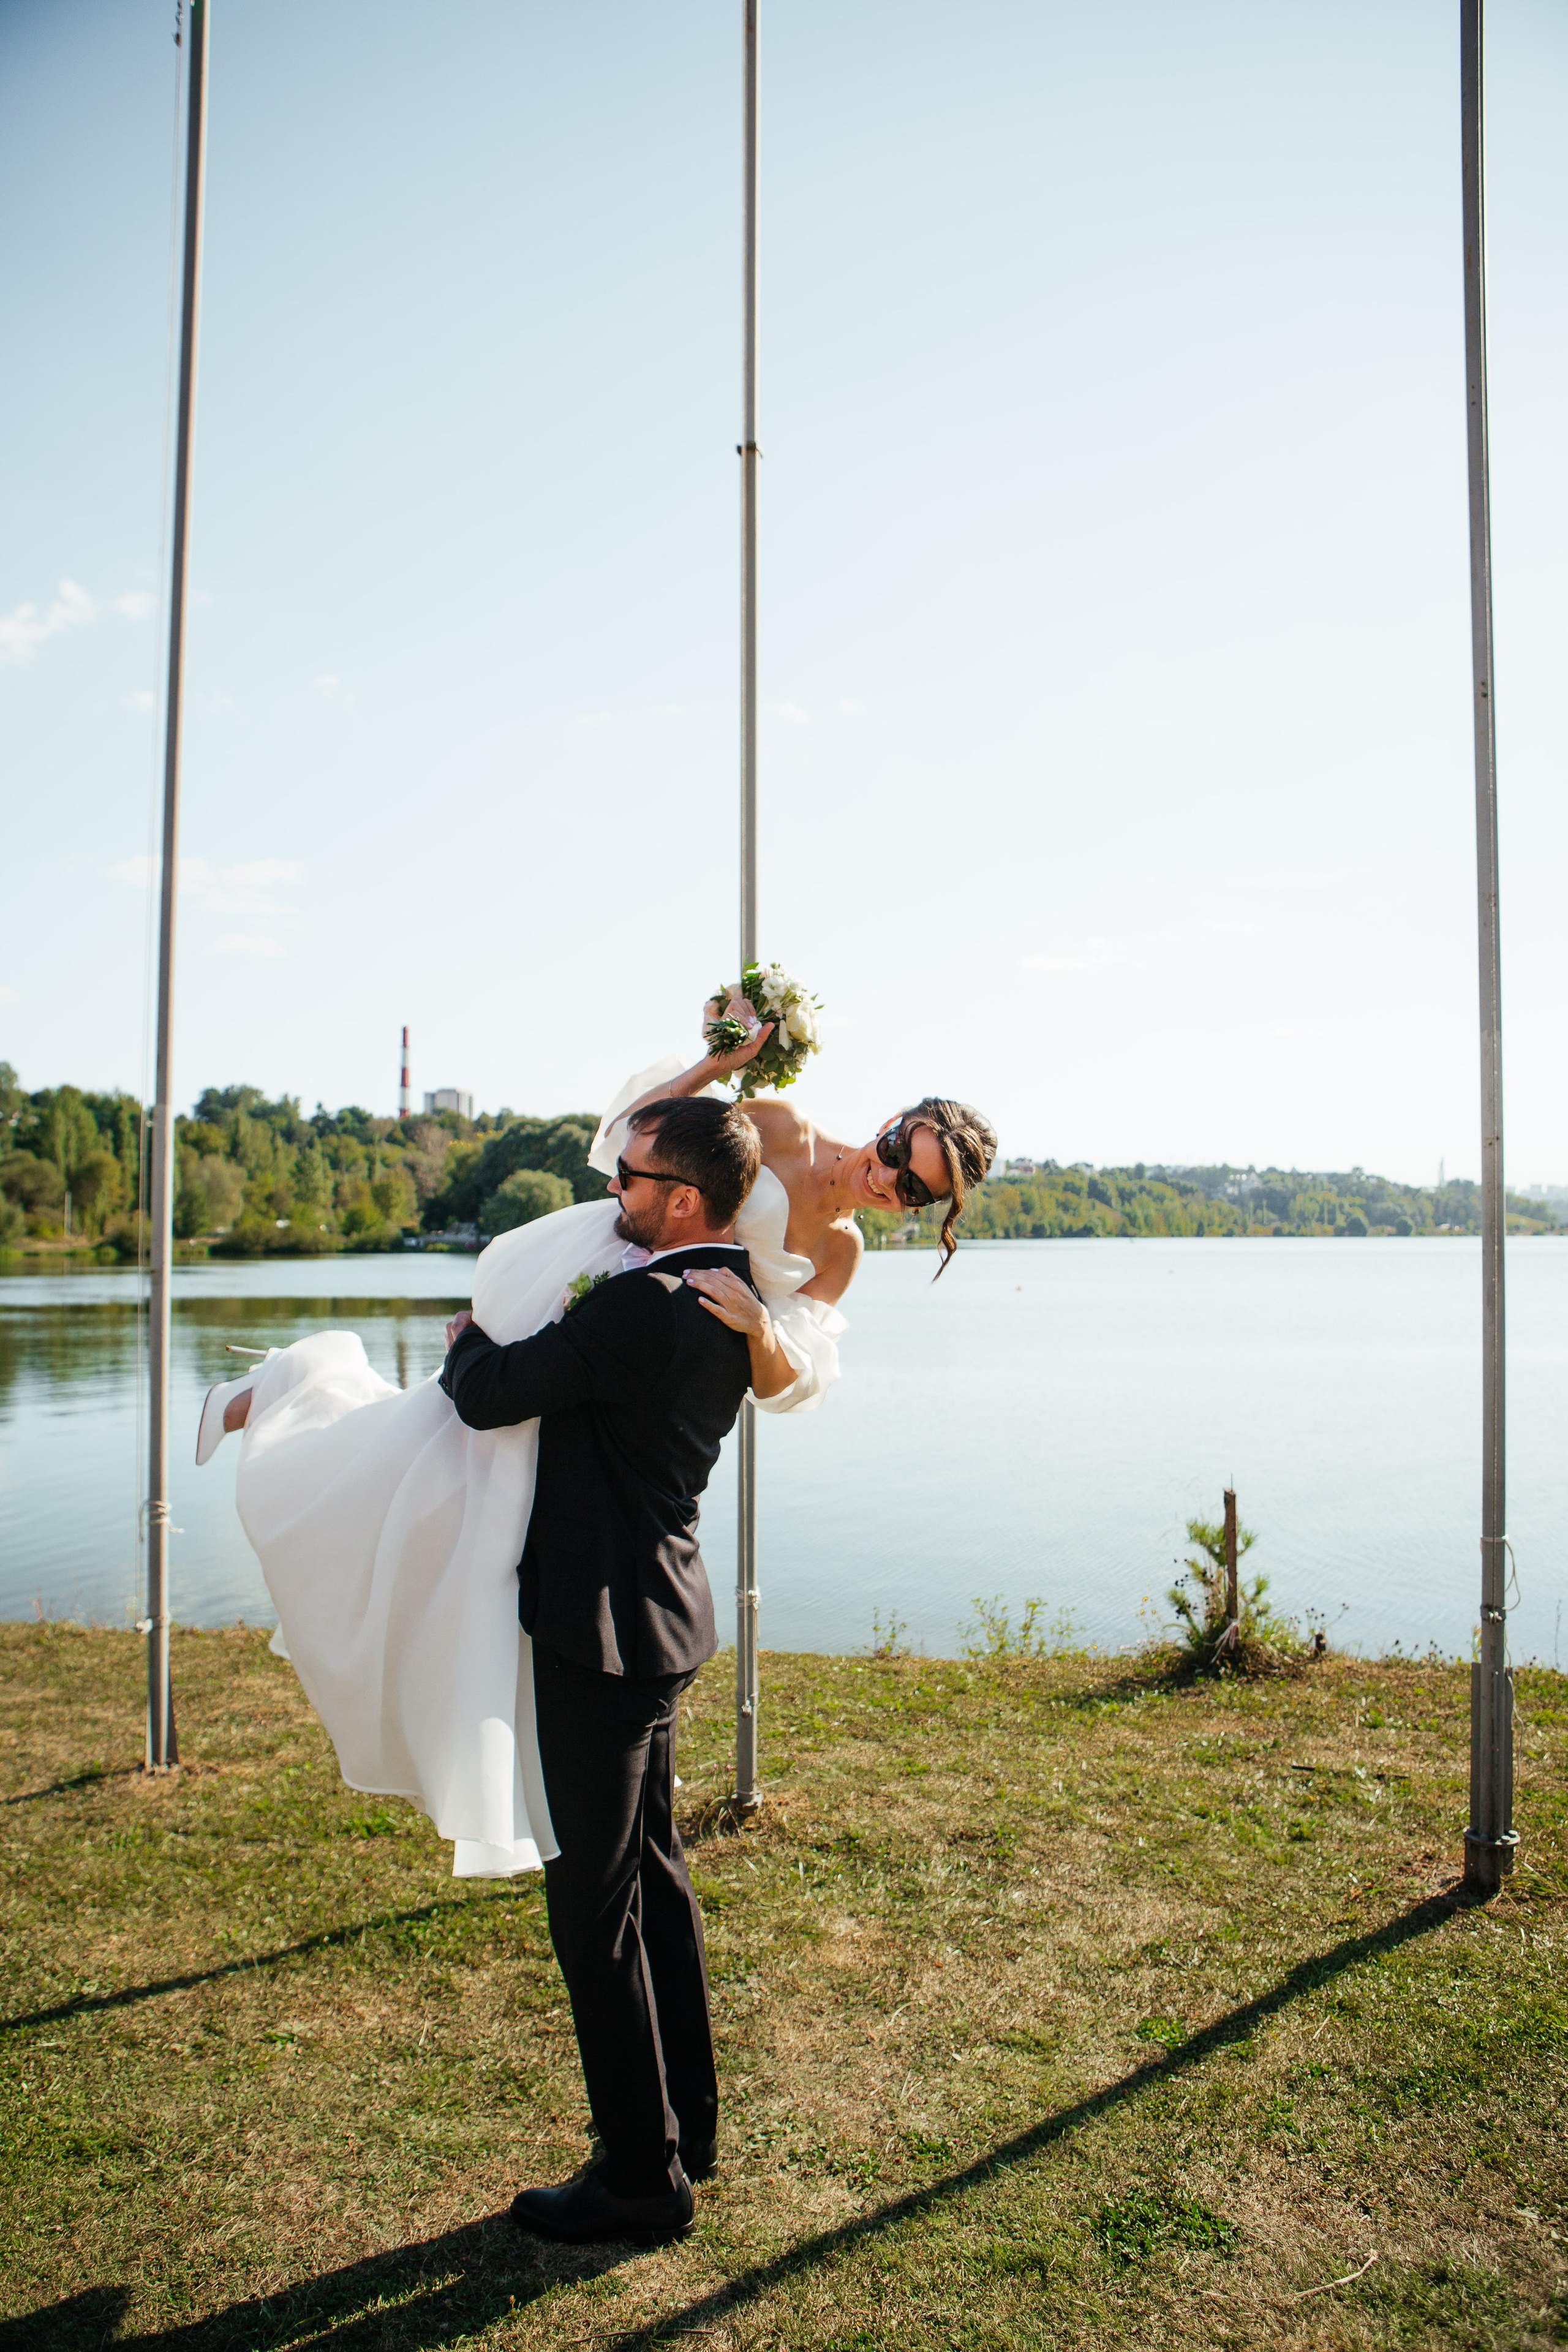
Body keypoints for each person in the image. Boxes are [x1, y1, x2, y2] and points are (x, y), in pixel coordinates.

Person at [197, 998, 997, 1880]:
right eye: (899, 1153)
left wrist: (760, 1332)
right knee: (455, 1432)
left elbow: (783, 1383)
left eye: (916, 1190)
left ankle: (477, 1678)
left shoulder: (841, 1254)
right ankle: (288, 1394)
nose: (889, 1181)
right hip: (611, 1274)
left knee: (493, 1496)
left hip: (650, 1362)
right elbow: (641, 1147)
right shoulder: (779, 1124)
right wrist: (713, 1069)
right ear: (894, 1121)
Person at [438, 1094, 760, 2242]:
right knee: (655, 1879)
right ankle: (688, 2128)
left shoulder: (641, 1306)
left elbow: (492, 1398)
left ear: (679, 1198)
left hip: (605, 1631)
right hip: (661, 1613)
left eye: (626, 1176)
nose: (610, 1190)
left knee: (595, 1907)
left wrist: (466, 1342)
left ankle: (639, 2178)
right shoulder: (733, 1295)